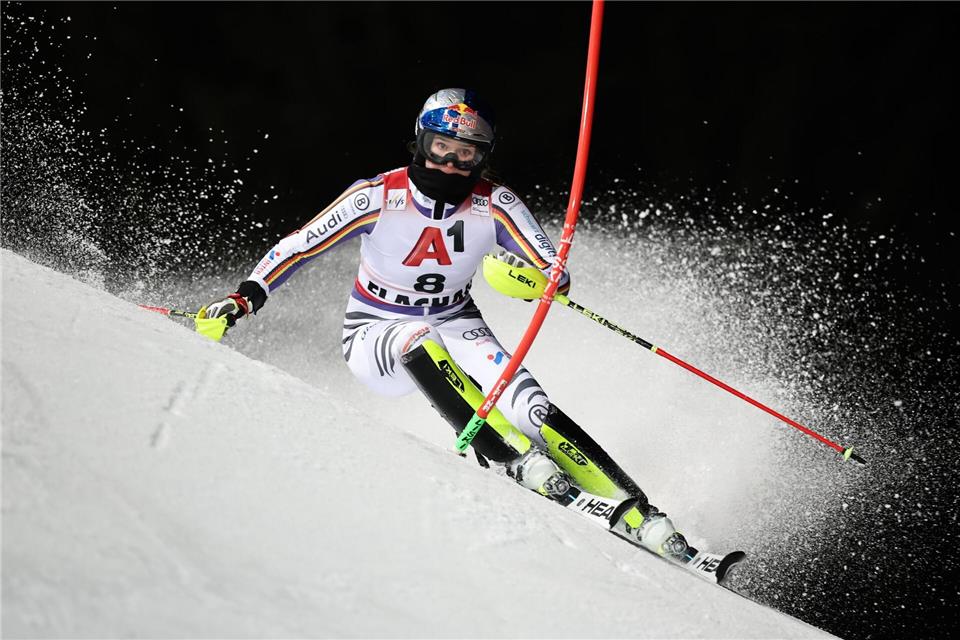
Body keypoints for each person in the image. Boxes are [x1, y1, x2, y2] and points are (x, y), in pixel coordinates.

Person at [201, 88, 691, 562]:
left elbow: (552, 267)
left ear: (483, 156)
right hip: (376, 329)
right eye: (441, 148)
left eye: (466, 154)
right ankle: (507, 455)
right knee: (418, 337)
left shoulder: (494, 203)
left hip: (457, 318)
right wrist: (244, 298)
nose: (451, 164)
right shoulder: (378, 196)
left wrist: (547, 278)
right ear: (420, 140)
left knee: (531, 404)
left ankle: (637, 511)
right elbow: (301, 244)